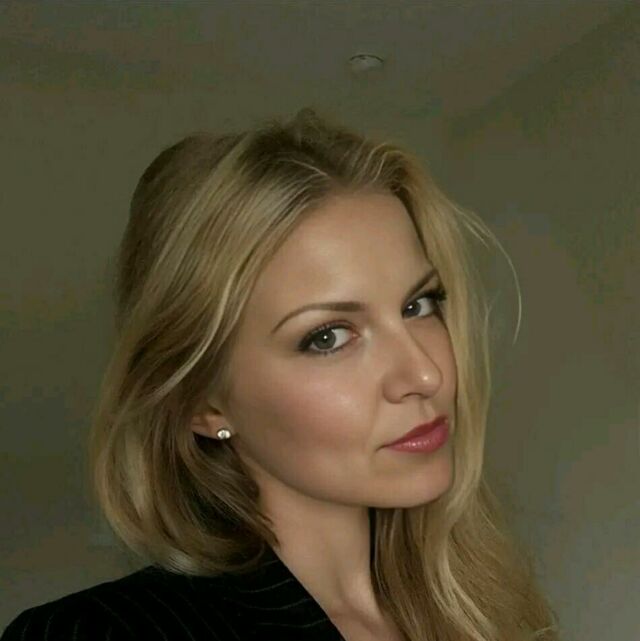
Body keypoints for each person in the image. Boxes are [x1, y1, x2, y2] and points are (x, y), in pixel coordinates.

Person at [2, 108, 562, 641]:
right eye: (329, 337)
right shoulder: (102, 633)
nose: (425, 373)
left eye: (419, 305)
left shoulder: (483, 606)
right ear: (201, 402)